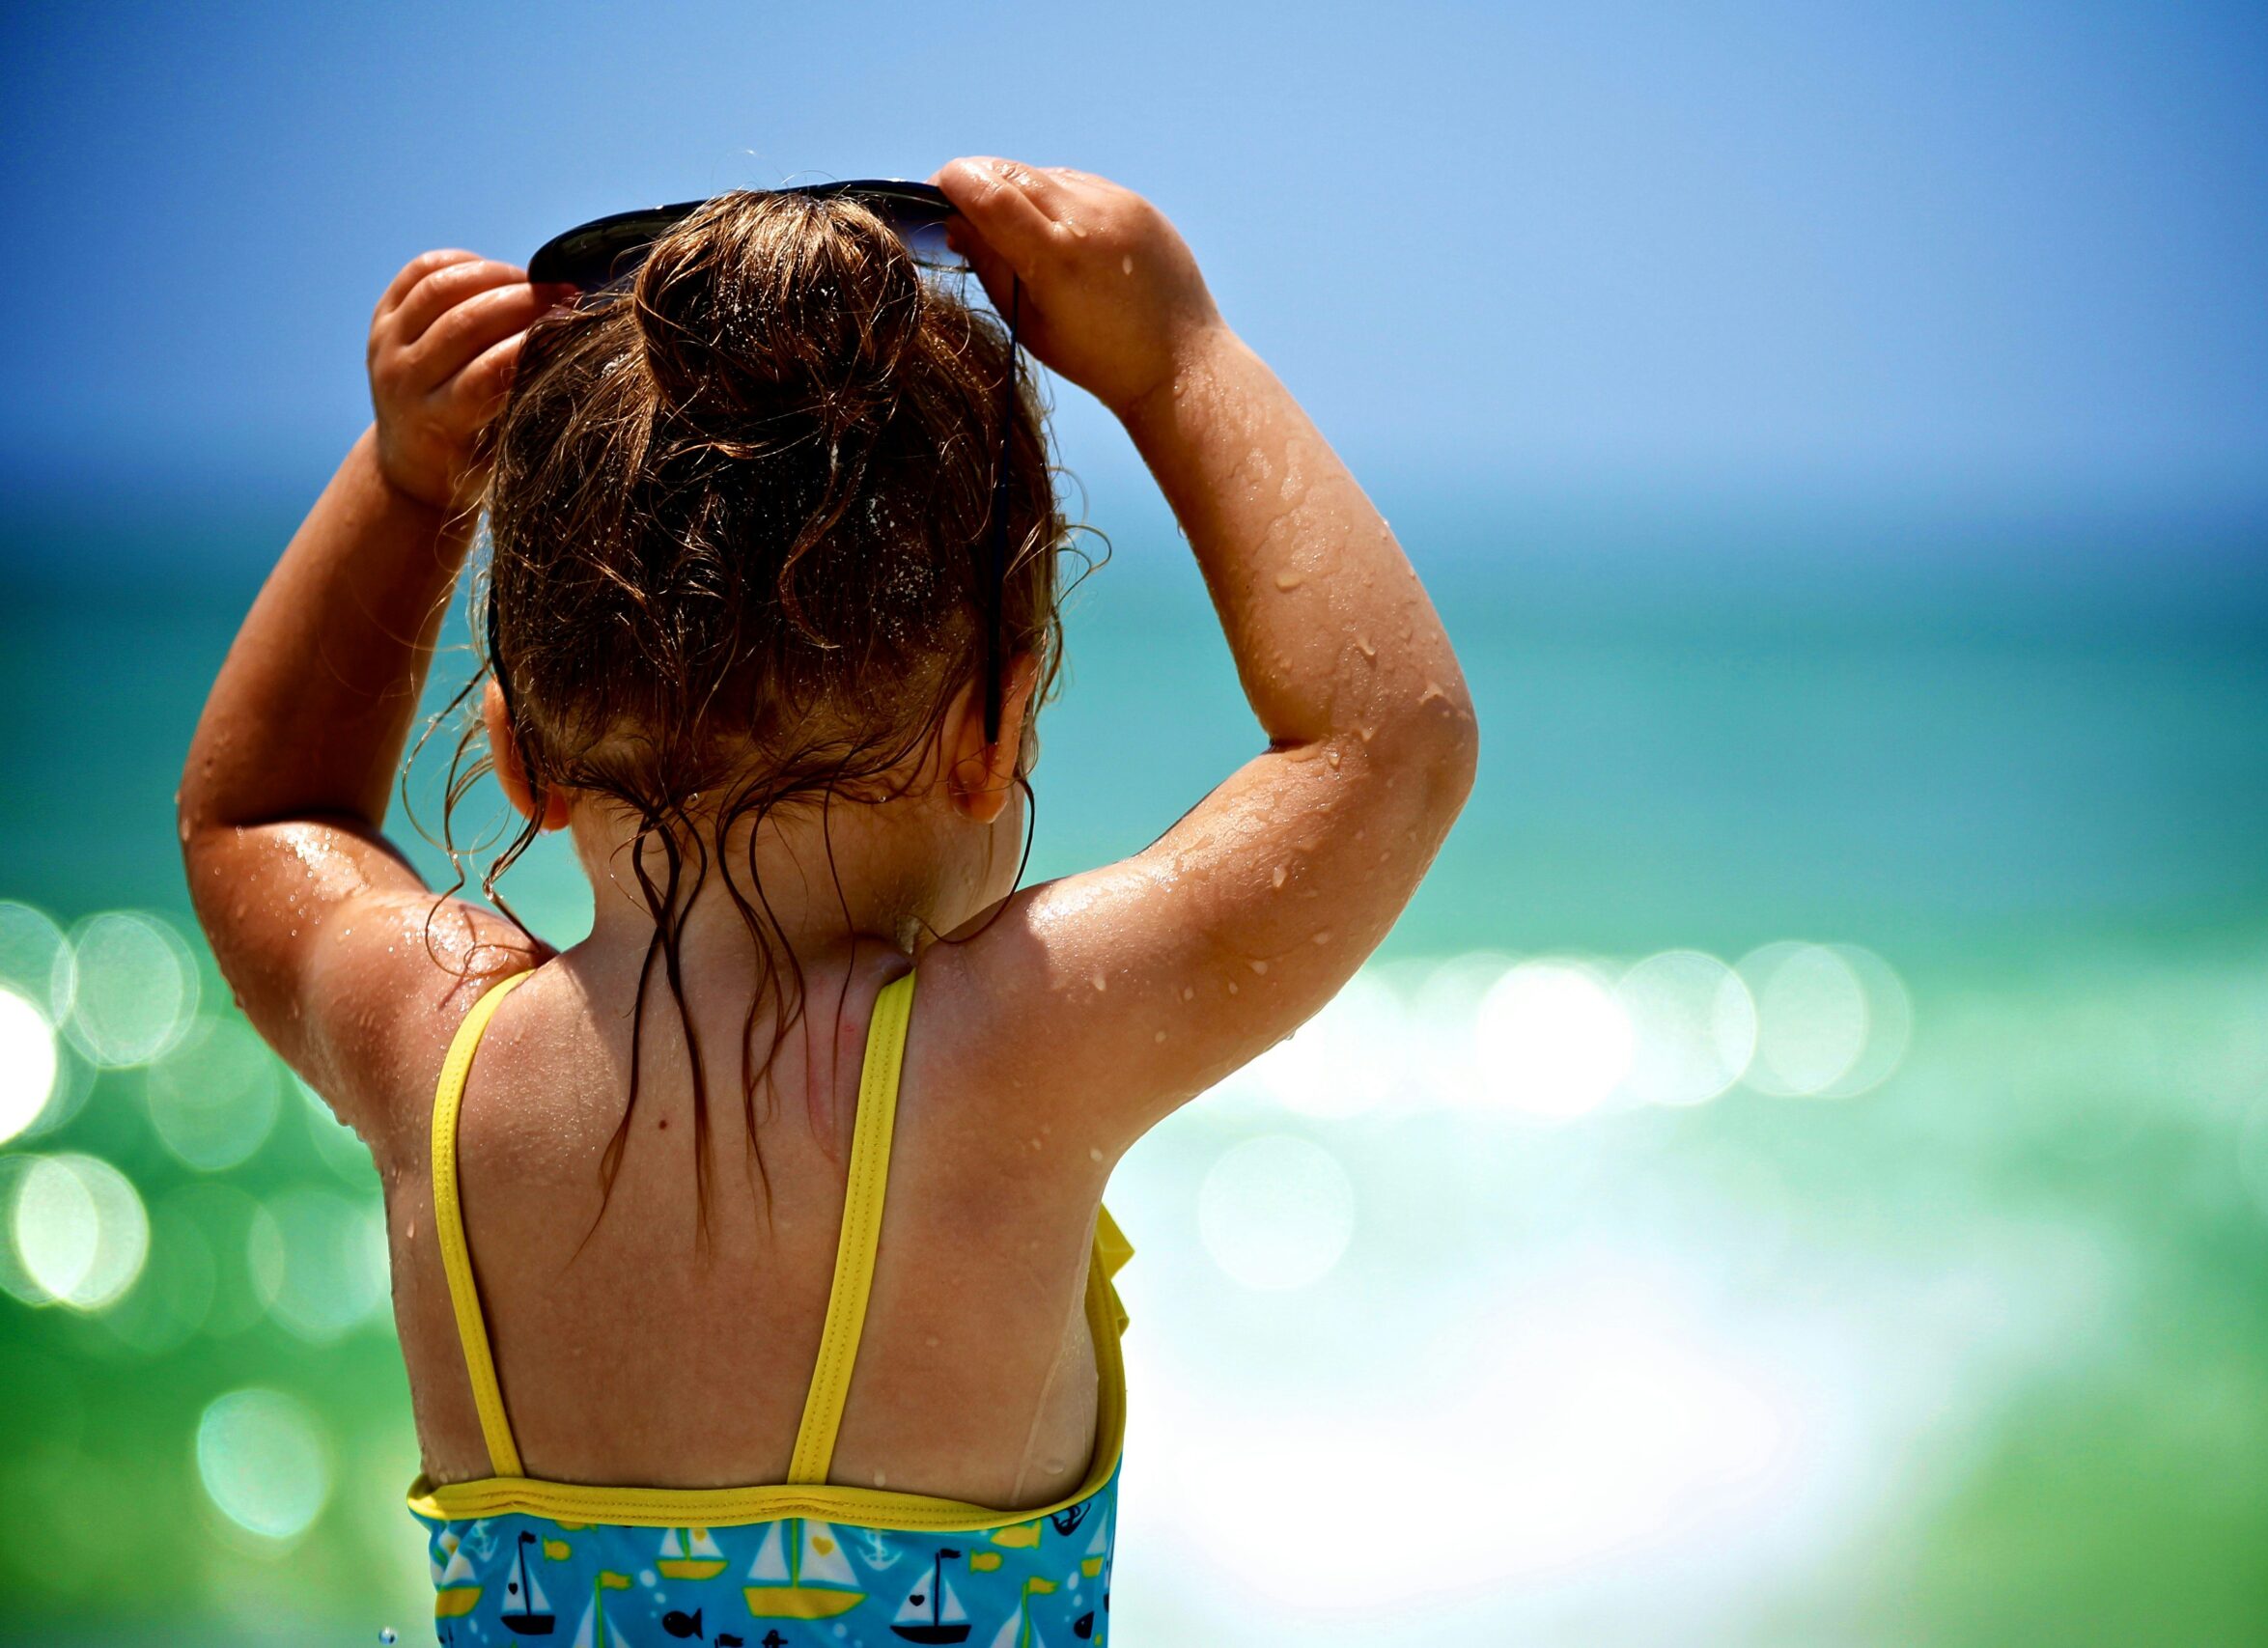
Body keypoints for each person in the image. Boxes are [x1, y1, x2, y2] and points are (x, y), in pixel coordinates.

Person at [177, 155, 1476, 1641]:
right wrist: (1180, 354)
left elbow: (262, 816)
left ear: (519, 751)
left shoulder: (435, 1052)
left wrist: (407, 483)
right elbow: (1389, 749)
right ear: (991, 732)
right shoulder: (1004, 1057)